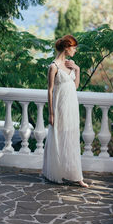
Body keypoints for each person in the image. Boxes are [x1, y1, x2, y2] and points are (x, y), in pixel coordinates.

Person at [42, 34, 89, 188]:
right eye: (74, 47)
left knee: (72, 138)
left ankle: (76, 176)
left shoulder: (71, 64)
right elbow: (49, 91)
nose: (75, 50)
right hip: (59, 107)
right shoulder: (53, 66)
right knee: (59, 138)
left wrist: (77, 69)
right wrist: (51, 113)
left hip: (71, 106)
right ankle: (58, 172)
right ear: (67, 47)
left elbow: (75, 86)